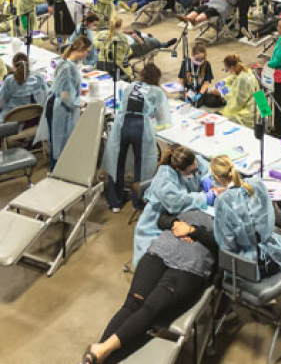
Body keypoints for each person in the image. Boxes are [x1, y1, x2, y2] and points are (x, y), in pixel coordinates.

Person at [80, 207, 216, 364]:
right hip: (159, 252)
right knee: (132, 304)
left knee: (150, 309)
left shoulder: (227, 214)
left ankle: (101, 350)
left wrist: (193, 230)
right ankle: (99, 353)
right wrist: (175, 223)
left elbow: (224, 244)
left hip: (189, 266)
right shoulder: (194, 200)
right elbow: (162, 218)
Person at [102, 63, 171, 212]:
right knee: (142, 164)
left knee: (117, 162)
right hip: (141, 127)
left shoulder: (130, 86)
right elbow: (162, 119)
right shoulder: (156, 91)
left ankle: (115, 202)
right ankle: (137, 203)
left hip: (121, 124)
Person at [211, 155, 281, 276]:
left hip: (249, 267)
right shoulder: (257, 184)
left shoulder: (223, 202)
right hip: (276, 255)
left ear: (216, 178)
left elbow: (227, 244)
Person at [133, 145, 213, 265]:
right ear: (177, 169)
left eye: (196, 169)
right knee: (158, 255)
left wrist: (206, 177)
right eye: (191, 172)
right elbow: (177, 202)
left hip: (185, 212)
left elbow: (206, 168)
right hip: (158, 216)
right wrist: (204, 198)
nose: (195, 173)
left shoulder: (191, 159)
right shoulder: (164, 179)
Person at [34, 36, 92, 169]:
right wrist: (79, 102)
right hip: (59, 109)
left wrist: (77, 91)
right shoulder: (67, 68)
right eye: (87, 51)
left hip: (59, 105)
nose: (88, 54)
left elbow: (65, 86)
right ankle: (56, 173)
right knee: (59, 146)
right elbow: (65, 96)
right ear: (81, 50)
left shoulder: (68, 64)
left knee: (62, 144)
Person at [0, 52, 49, 124]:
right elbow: (47, 95)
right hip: (35, 119)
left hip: (12, 122)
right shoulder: (38, 76)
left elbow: (0, 103)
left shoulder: (10, 80)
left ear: (13, 65)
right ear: (28, 64)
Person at [211, 54, 259, 127]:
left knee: (222, 116)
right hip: (257, 102)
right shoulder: (245, 70)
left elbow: (237, 103)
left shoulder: (242, 79)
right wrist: (223, 82)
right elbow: (232, 78)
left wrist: (222, 95)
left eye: (227, 69)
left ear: (232, 67)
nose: (228, 71)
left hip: (251, 112)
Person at [177, 42, 216, 107]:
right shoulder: (186, 63)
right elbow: (181, 80)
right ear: (192, 55)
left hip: (200, 91)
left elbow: (207, 82)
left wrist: (200, 94)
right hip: (188, 90)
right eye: (197, 59)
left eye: (202, 59)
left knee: (200, 103)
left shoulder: (207, 64)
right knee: (185, 103)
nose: (199, 61)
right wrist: (184, 93)